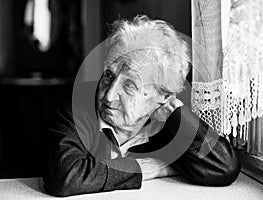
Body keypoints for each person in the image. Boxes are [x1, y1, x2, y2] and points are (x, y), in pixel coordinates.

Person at [43, 15, 240, 197]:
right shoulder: (80, 104)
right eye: (109, 76)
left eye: (129, 86)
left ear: (162, 96)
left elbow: (223, 166)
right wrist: (147, 167)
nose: (109, 95)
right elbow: (66, 177)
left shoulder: (166, 124)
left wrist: (175, 112)